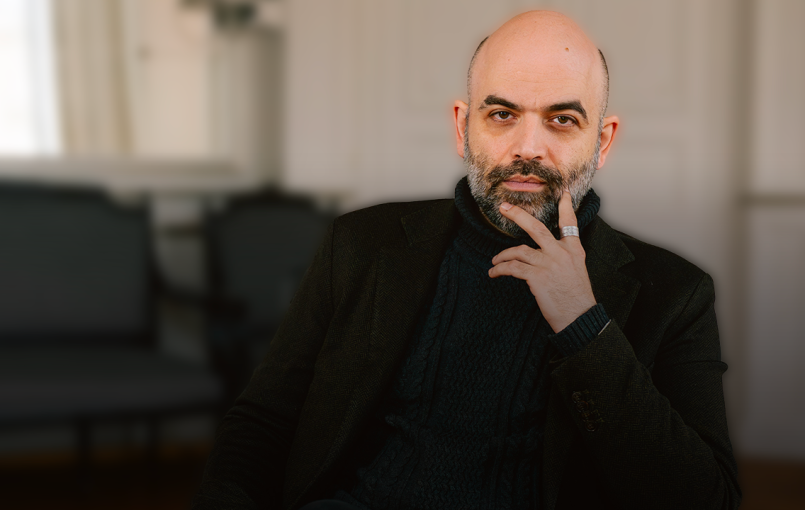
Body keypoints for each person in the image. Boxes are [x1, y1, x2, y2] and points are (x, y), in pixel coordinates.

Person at [193, 10, 741, 510]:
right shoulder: (360, 244)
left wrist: (584, 326)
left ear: (603, 141)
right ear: (462, 127)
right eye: (502, 114)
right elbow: (263, 421)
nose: (528, 147)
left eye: (562, 120)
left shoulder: (676, 294)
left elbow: (707, 500)